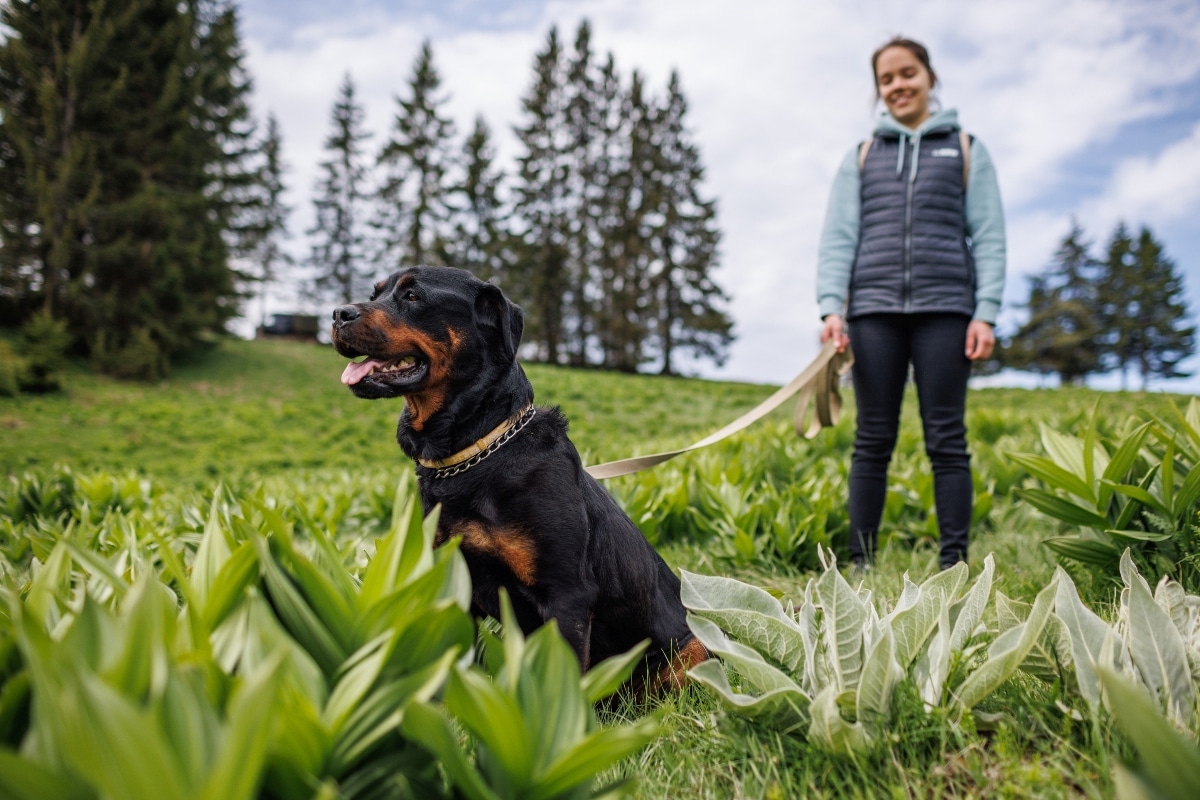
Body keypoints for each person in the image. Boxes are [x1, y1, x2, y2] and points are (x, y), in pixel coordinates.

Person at [815, 37, 1006, 571]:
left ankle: (953, 563)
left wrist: (985, 310)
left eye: (907, 73)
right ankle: (860, 563)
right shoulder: (863, 155)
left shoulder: (966, 147)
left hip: (947, 309)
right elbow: (838, 236)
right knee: (872, 439)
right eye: (886, 78)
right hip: (872, 312)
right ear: (879, 89)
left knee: (947, 439)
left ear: (929, 76)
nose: (897, 85)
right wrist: (833, 307)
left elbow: (989, 234)